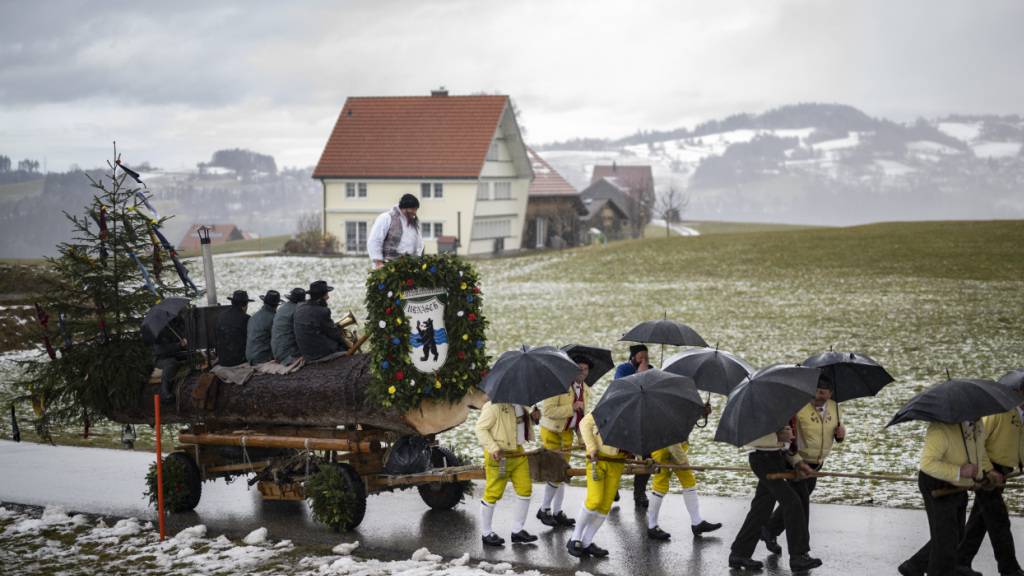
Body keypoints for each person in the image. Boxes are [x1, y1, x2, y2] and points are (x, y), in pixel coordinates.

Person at [761, 376, 846, 554]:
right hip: (798, 462)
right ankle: (801, 552)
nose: (817, 395)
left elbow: (836, 434)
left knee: (795, 503)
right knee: (801, 507)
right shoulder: (798, 407)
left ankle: (769, 529)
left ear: (830, 394)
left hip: (816, 464)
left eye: (822, 392)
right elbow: (788, 437)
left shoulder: (835, 408)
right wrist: (796, 460)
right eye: (815, 391)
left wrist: (840, 435)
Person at [898, 419, 993, 576]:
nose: (982, 414)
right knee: (946, 541)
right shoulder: (940, 428)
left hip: (958, 484)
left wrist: (986, 473)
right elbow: (927, 464)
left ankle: (913, 566)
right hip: (936, 484)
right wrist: (959, 471)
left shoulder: (978, 424)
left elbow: (978, 453)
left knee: (956, 536)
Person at [729, 424, 822, 572]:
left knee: (761, 509)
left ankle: (739, 553)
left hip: (777, 458)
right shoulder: (758, 405)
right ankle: (798, 556)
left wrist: (798, 463)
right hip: (762, 459)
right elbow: (750, 436)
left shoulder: (778, 406)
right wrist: (777, 437)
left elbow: (785, 446)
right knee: (792, 502)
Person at [957, 399, 1024, 576]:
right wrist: (988, 470)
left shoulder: (1021, 416)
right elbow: (977, 442)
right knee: (999, 520)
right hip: (987, 472)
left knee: (979, 521)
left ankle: (960, 562)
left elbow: (1017, 445)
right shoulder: (1000, 412)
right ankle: (1009, 569)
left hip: (1002, 472)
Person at [536, 355, 591, 528]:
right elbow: (548, 411)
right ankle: (544, 509)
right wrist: (571, 408)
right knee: (556, 473)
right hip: (552, 431)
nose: (582, 372)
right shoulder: (557, 385)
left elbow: (582, 418)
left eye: (586, 369)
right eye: (579, 368)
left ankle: (557, 512)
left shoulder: (586, 390)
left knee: (563, 473)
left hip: (568, 433)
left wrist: (583, 438)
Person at [646, 417, 723, 540]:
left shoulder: (682, 409)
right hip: (663, 447)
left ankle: (697, 523)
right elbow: (672, 441)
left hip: (675, 445)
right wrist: (683, 462)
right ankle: (652, 526)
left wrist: (702, 413)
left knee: (688, 481)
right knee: (660, 485)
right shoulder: (670, 413)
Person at [474, 400, 538, 547]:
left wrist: (533, 418)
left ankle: (517, 531)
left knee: (525, 490)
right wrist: (493, 448)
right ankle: (486, 533)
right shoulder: (492, 406)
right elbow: (480, 429)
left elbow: (517, 427)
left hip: (518, 452)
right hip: (499, 455)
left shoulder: (522, 404)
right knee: (493, 493)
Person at [567, 411, 626, 559]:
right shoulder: (610, 405)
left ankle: (586, 543)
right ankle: (575, 539)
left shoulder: (639, 415)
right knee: (594, 500)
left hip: (618, 462)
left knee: (605, 505)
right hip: (597, 460)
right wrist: (592, 447)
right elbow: (584, 424)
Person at [614, 344, 652, 508]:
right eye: (640, 357)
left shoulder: (651, 370)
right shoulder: (623, 369)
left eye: (646, 357)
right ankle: (613, 486)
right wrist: (639, 374)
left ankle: (639, 492)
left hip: (643, 419)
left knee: (647, 455)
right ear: (633, 357)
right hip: (624, 418)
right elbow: (620, 388)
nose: (644, 360)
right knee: (619, 455)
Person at [293, 280, 347, 362]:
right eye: (326, 295)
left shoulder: (300, 306)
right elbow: (334, 334)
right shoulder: (322, 311)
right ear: (320, 298)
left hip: (306, 352)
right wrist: (341, 332)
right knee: (345, 346)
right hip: (318, 353)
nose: (328, 297)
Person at [368, 193, 424, 269]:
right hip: (387, 266)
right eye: (412, 209)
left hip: (408, 268)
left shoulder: (414, 224)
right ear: (404, 208)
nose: (414, 212)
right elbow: (375, 240)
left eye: (415, 210)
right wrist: (378, 262)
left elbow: (419, 244)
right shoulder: (386, 218)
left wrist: (417, 260)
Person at [152, 317, 187, 403]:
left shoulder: (173, 328)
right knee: (170, 363)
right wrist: (178, 345)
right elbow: (160, 350)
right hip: (160, 359)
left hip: (176, 355)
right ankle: (165, 393)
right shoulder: (156, 333)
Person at [215, 290, 251, 367]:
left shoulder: (221, 316)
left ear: (232, 302)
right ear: (245, 305)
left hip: (222, 360)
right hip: (238, 360)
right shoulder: (246, 318)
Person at [271, 288, 305, 365]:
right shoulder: (298, 310)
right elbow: (303, 333)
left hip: (277, 353)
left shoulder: (282, 308)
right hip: (289, 355)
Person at [246, 290, 280, 365]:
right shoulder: (274, 318)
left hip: (249, 356)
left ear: (264, 302)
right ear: (277, 305)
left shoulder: (254, 316)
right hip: (261, 358)